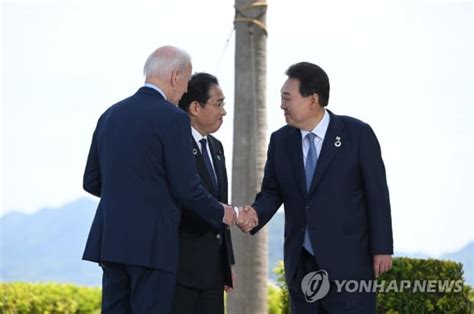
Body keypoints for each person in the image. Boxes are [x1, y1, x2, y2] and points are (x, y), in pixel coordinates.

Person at [82, 46, 236, 314]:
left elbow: (91, 181)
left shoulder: (110, 114)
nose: (185, 89)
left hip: (112, 241)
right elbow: (186, 188)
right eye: (186, 80)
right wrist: (225, 212)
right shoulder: (172, 117)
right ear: (176, 76)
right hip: (154, 244)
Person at [242, 62, 393, 313]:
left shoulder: (357, 135)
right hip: (302, 263)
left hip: (349, 265)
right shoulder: (281, 141)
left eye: (287, 98)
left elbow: (377, 195)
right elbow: (272, 191)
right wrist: (255, 214)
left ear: (312, 100)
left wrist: (382, 248)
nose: (282, 105)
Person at [171, 72, 235, 314]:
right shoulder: (176, 143)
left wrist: (226, 263)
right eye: (218, 103)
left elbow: (221, 204)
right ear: (195, 107)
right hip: (182, 271)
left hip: (212, 273)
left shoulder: (216, 147)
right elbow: (188, 197)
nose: (224, 111)